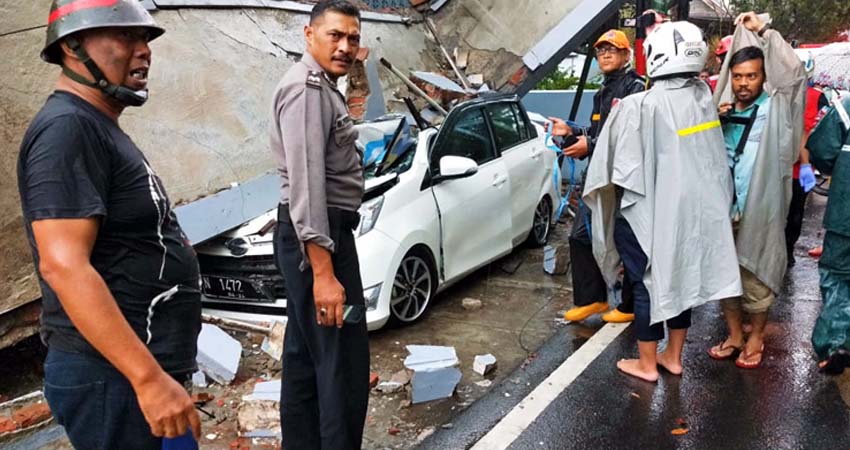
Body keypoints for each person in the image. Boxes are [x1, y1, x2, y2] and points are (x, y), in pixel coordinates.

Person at [16, 1, 202, 448]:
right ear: (72, 47)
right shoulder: (66, 130)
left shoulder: (98, 125)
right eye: (125, 37)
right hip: (112, 380)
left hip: (143, 372)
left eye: (145, 39)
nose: (144, 51)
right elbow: (64, 266)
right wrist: (148, 380)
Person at [583, 21, 742, 382]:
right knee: (679, 277)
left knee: (645, 281)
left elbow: (616, 170)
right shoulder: (703, 97)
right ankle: (673, 356)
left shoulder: (639, 105)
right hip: (693, 213)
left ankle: (647, 364)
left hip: (649, 211)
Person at [269, 1, 369, 448]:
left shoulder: (323, 87)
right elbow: (307, 185)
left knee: (306, 360)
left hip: (315, 237)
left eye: (353, 38)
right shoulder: (308, 89)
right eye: (335, 35)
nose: (346, 46)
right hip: (318, 241)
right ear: (309, 35)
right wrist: (324, 274)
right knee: (340, 366)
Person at [708, 12, 807, 369]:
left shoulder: (777, 109)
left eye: (751, 76)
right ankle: (735, 334)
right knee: (724, 275)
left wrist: (763, 31)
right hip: (726, 208)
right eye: (737, 77)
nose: (743, 84)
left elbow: (795, 75)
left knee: (756, 276)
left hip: (762, 207)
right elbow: (691, 144)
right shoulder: (720, 109)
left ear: (764, 78)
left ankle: (755, 338)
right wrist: (711, 122)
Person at [546, 29, 646, 324]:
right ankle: (592, 299)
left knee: (625, 240)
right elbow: (598, 133)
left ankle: (628, 305)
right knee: (579, 236)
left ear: (626, 55)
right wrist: (572, 131)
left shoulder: (635, 88)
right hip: (597, 178)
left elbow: (630, 136)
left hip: (624, 180)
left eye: (612, 50)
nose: (604, 54)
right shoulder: (603, 91)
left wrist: (590, 143)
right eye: (601, 50)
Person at [807, 94, 850, 375]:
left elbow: (820, 152)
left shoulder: (846, 107)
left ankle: (835, 344)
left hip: (845, 210)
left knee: (837, 275)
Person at [785, 84, 829, 266]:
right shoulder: (773, 92)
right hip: (779, 167)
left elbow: (821, 130)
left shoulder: (818, 97)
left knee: (794, 213)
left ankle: (787, 252)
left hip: (799, 169)